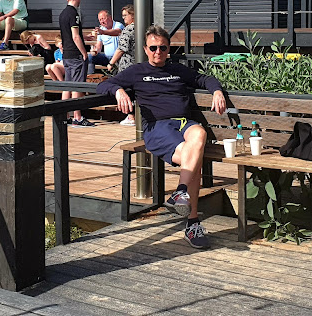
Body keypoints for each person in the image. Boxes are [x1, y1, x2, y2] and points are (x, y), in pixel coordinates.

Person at [96, 25, 226, 249]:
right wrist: (118, 91)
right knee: (192, 156)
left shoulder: (177, 69)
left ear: (168, 49)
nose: (158, 52)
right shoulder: (136, 72)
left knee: (200, 133)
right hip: (158, 127)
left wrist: (217, 91)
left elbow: (205, 79)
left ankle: (181, 194)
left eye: (163, 48)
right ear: (146, 49)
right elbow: (103, 84)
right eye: (154, 48)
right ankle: (192, 223)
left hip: (184, 123)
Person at [59, 0, 94, 127]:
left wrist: (84, 36)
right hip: (75, 54)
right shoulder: (74, 14)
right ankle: (77, 117)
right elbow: (75, 36)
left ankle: (64, 115)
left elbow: (69, 34)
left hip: (66, 54)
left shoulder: (62, 14)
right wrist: (84, 53)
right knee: (77, 86)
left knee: (67, 85)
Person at [107, 4, 135, 125]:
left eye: (125, 16)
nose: (124, 19)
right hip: (139, 63)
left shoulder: (128, 29)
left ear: (132, 15)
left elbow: (121, 48)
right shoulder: (144, 27)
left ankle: (131, 116)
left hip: (128, 65)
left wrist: (111, 63)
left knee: (126, 89)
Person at [88, 10, 124, 74]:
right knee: (90, 57)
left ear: (110, 17)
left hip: (118, 58)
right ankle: (91, 78)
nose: (102, 21)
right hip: (107, 58)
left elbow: (117, 32)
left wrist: (103, 32)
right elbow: (99, 46)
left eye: (103, 19)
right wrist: (95, 51)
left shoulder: (118, 25)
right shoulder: (101, 29)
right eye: (100, 20)